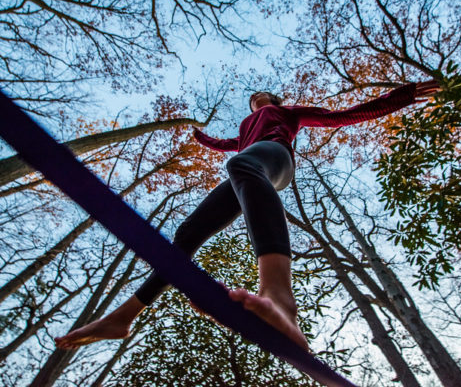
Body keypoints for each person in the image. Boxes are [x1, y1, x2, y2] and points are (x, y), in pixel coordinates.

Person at [55, 80, 440, 352]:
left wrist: (399, 97)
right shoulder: (244, 129)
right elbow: (227, 145)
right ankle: (125, 315)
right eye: (254, 100)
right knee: (189, 231)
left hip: (275, 160)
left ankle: (280, 296)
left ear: (272, 99)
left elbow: (340, 116)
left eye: (262, 97)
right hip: (249, 164)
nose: (257, 101)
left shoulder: (286, 112)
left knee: (241, 164)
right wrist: (201, 138)